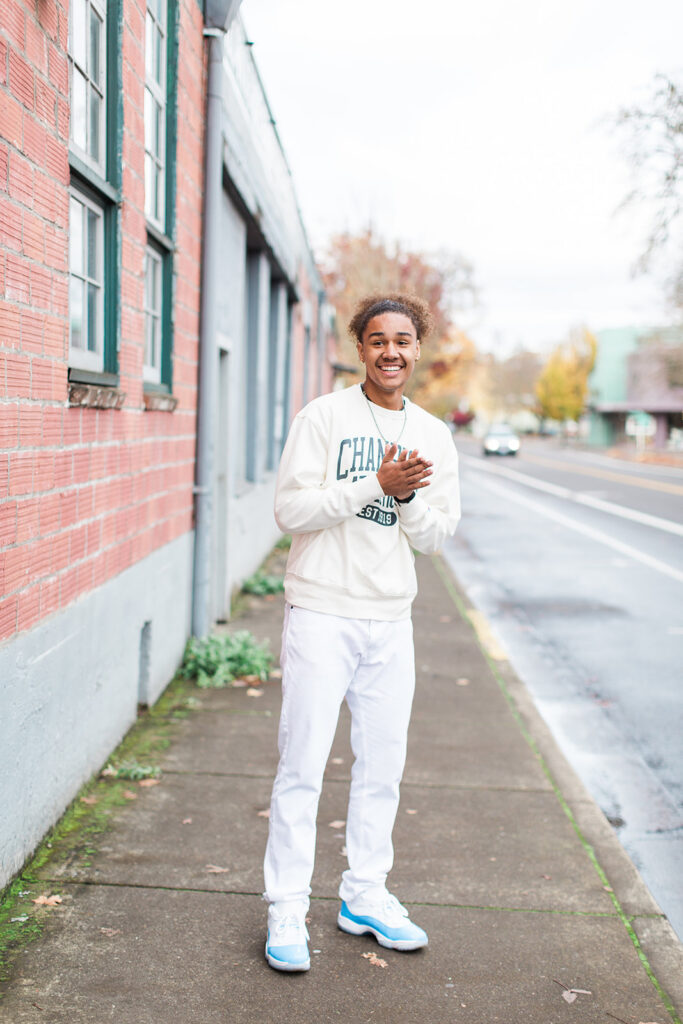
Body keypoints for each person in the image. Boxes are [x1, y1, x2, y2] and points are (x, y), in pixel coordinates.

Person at [263, 293, 461, 972]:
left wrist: (403, 496)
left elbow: (435, 537)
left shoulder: (434, 435)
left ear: (416, 349)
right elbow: (289, 510)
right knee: (303, 765)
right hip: (321, 610)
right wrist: (372, 483)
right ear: (360, 348)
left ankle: (363, 895)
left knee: (383, 769)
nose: (391, 352)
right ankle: (286, 903)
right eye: (377, 340)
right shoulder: (321, 418)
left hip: (389, 619)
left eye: (402, 340)